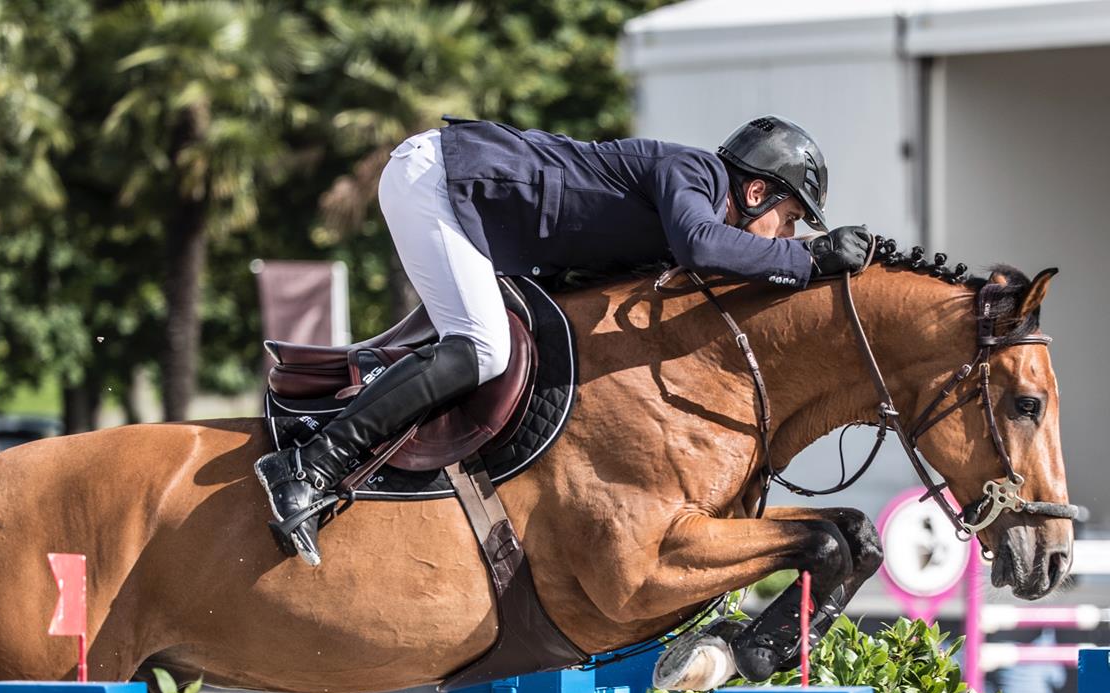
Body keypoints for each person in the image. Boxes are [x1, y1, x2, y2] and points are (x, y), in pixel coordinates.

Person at [255, 115, 872, 567]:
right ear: (757, 191)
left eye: (796, 230)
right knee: (483, 347)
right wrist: (811, 256)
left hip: (470, 202)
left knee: (495, 348)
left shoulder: (690, 205)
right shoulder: (694, 173)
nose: (788, 234)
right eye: (790, 219)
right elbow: (703, 246)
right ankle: (308, 468)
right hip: (439, 179)